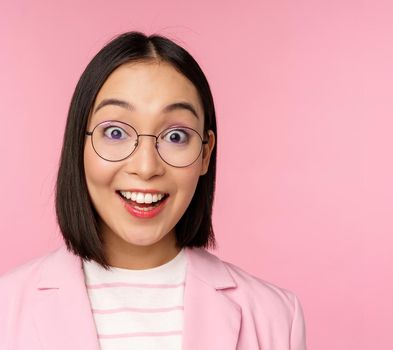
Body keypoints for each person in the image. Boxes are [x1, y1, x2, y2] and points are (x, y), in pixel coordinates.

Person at [0, 31, 307, 350]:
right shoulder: (5, 309)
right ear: (80, 144)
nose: (146, 167)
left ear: (205, 154)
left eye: (176, 136)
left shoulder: (276, 317)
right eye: (115, 132)